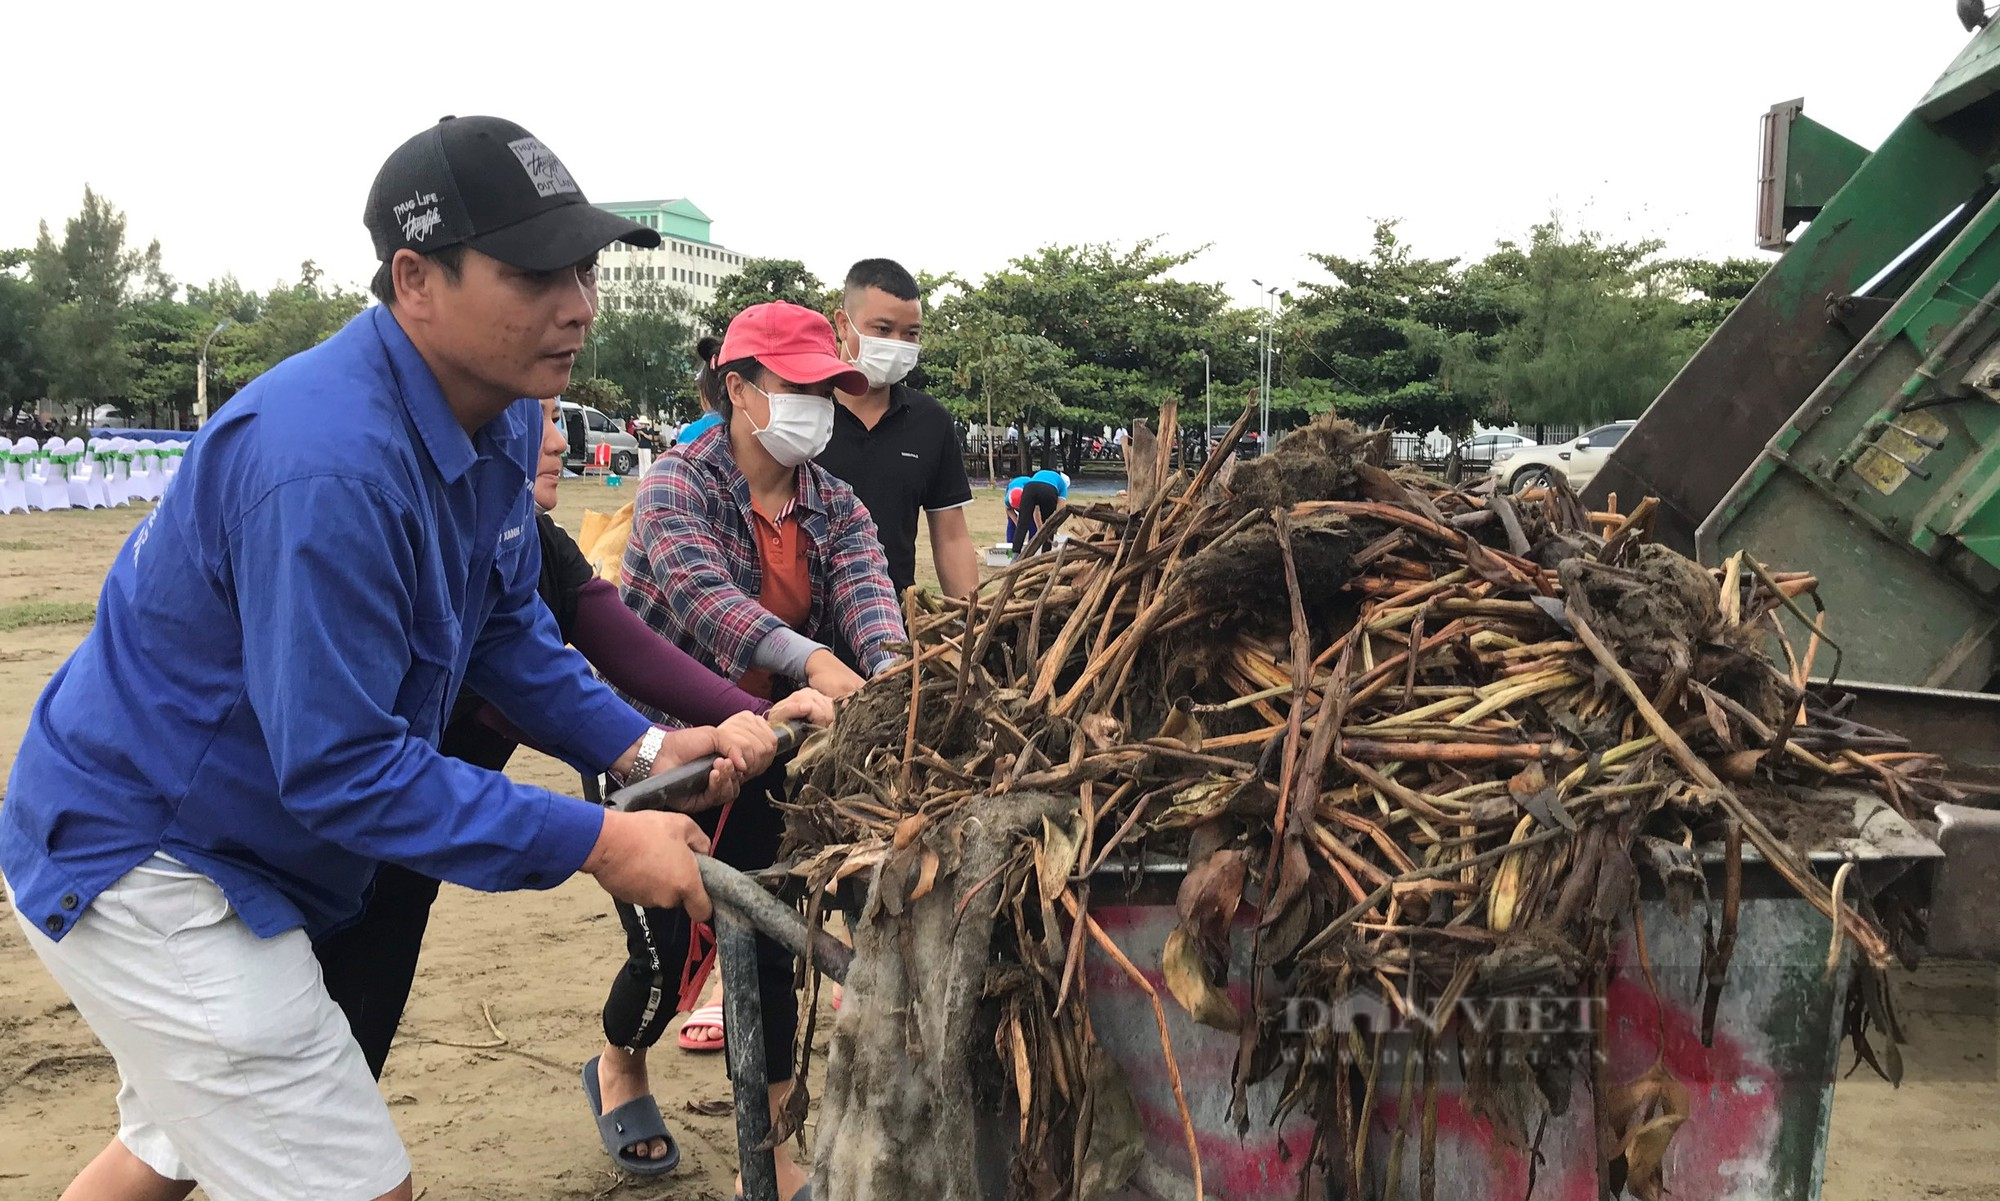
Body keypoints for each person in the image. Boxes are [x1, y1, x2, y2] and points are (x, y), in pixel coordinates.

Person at [0, 115, 741, 1201]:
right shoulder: (329, 468)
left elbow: (501, 628)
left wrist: (641, 745)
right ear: (416, 279)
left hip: (242, 841)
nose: (576, 300)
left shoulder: (488, 416)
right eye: (534, 270)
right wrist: (594, 840)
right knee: (355, 1185)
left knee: (164, 1148)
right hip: (150, 860)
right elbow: (344, 766)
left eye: (580, 265)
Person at [312, 395, 833, 1085]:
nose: (558, 441)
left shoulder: (527, 539)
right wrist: (612, 810)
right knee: (319, 1089)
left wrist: (732, 720)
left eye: (557, 419)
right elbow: (528, 700)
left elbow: (610, 649)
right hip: (353, 832)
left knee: (314, 1074)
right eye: (543, 420)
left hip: (408, 854)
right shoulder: (402, 522)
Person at [609, 302, 902, 1201]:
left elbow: (871, 600)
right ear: (738, 390)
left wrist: (895, 682)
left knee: (769, 934)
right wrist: (814, 662)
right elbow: (710, 607)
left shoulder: (834, 501)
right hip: (660, 750)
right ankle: (621, 1065)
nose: (819, 403)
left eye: (829, 387)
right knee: (669, 952)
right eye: (799, 386)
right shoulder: (676, 484)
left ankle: (767, 1152)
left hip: (775, 748)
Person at [818, 258, 978, 600]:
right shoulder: (802, 413)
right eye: (882, 329)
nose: (897, 343)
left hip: (890, 630)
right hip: (803, 637)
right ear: (843, 325)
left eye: (911, 334)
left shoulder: (931, 421)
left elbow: (951, 536)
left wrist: (972, 625)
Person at [1012, 467, 1068, 557]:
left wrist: (1039, 527)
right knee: (1049, 524)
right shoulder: (1063, 485)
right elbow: (1059, 512)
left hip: (1030, 488)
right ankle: (1044, 556)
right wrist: (1053, 528)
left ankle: (1015, 554)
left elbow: (1036, 510)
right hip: (1049, 490)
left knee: (1022, 522)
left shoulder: (1041, 473)